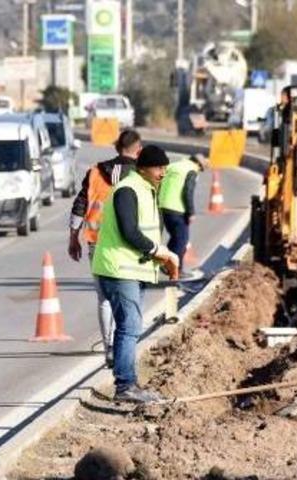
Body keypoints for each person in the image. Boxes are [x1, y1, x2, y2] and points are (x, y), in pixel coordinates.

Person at [92, 145, 179, 404]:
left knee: (130, 327)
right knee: (129, 327)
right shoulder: (127, 190)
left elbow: (146, 231)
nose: (163, 173)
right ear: (143, 168)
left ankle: (128, 383)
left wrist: (159, 259)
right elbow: (129, 231)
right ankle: (125, 385)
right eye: (159, 168)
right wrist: (158, 251)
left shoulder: (146, 189)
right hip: (119, 269)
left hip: (132, 268)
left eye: (165, 168)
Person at [68, 129, 142, 368]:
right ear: (138, 149)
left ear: (117, 147)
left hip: (97, 243)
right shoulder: (141, 174)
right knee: (130, 296)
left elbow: (80, 204)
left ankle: (109, 348)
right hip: (129, 245)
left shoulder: (96, 171)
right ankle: (124, 345)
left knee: (104, 298)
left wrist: (73, 237)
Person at [158, 153, 206, 280]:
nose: (199, 171)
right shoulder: (192, 170)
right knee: (181, 241)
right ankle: (170, 266)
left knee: (176, 239)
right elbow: (188, 191)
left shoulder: (173, 166)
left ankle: (172, 267)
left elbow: (159, 182)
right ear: (198, 164)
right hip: (177, 208)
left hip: (163, 206)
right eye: (201, 169)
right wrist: (191, 212)